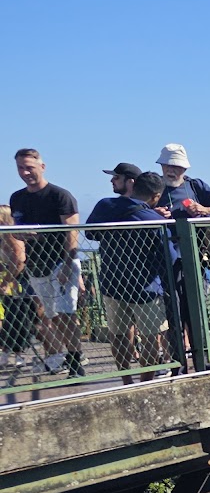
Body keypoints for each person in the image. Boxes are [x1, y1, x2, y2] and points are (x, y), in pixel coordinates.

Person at [86, 169, 173, 381]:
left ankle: (126, 380)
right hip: (146, 288)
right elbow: (169, 257)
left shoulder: (105, 205)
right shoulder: (154, 220)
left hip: (112, 282)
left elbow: (90, 233)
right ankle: (145, 381)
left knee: (118, 335)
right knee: (151, 336)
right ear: (156, 196)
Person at [9, 149, 82, 375]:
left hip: (61, 261)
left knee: (66, 312)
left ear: (42, 167)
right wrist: (22, 234)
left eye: (29, 167)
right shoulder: (17, 198)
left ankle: (76, 363)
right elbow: (17, 229)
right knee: (52, 316)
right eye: (21, 168)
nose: (25, 172)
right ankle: (68, 356)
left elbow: (72, 231)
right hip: (36, 263)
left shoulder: (60, 196)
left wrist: (68, 265)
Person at [0, 205, 32, 369]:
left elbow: (19, 261)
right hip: (11, 278)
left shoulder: (12, 236)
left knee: (17, 317)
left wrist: (6, 281)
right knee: (10, 317)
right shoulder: (4, 236)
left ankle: (18, 353)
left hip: (19, 281)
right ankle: (6, 351)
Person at [156, 144, 210, 217]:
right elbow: (142, 209)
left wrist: (206, 210)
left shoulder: (196, 185)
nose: (170, 170)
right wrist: (153, 214)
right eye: (167, 165)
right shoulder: (152, 186)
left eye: (175, 166)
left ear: (184, 168)